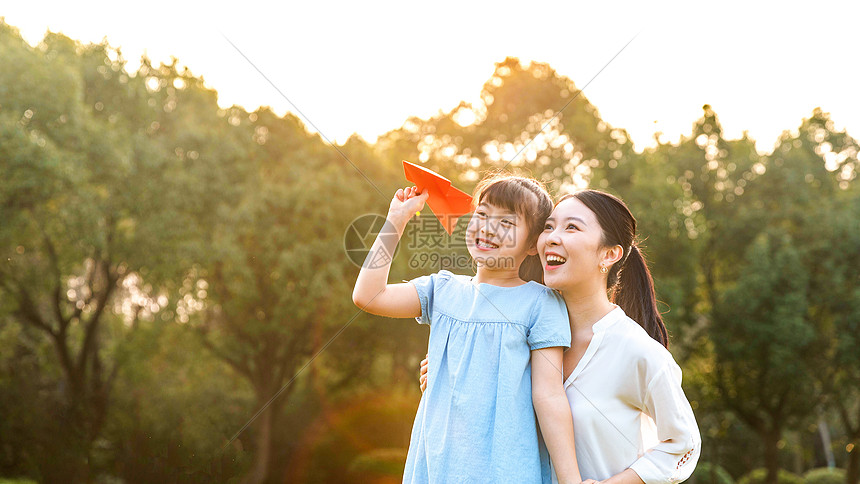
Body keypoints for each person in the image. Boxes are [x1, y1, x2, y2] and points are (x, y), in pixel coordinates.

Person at [419, 189, 701, 484]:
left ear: (609, 254)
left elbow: (683, 444)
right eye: (549, 227)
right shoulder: (519, 331)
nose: (552, 237)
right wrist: (449, 372)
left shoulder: (635, 350)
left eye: (572, 227)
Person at [353, 176, 581, 484]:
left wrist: (572, 481)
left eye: (507, 222)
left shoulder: (540, 303)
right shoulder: (442, 290)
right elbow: (368, 296)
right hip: (436, 466)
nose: (488, 228)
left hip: (506, 469)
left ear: (531, 245)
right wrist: (396, 219)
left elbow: (550, 396)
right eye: (483, 214)